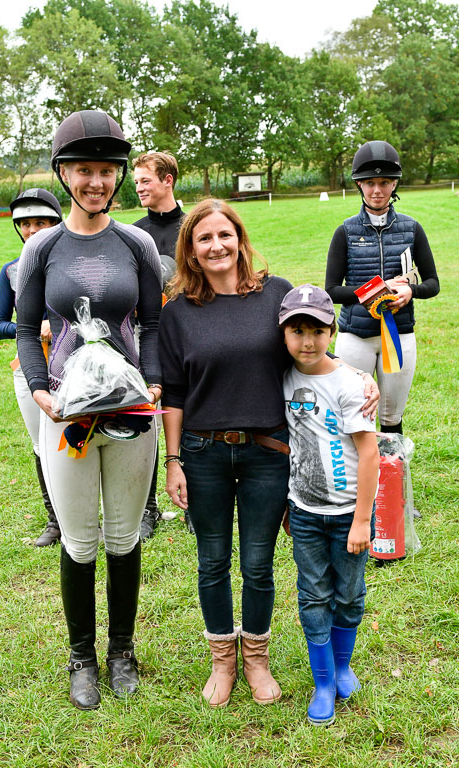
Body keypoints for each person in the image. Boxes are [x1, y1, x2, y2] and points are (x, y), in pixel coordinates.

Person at [159, 199, 379, 709]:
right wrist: (172, 461)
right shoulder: (177, 311)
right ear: (190, 249)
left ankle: (256, 658)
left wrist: (357, 376)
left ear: (240, 239)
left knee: (258, 564)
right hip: (203, 453)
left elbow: (310, 348)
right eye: (204, 238)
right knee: (212, 561)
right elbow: (174, 393)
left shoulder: (275, 293)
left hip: (267, 453)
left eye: (225, 235)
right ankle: (223, 660)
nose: (216, 246)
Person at [16, 110, 163, 710]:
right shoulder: (43, 247)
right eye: (83, 170)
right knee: (79, 541)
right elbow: (26, 328)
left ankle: (122, 650)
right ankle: (82, 657)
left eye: (106, 170)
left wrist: (154, 382)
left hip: (130, 411)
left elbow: (153, 323)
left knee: (123, 536)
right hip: (67, 414)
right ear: (64, 174)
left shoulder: (137, 243)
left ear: (118, 175)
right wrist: (41, 391)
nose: (96, 181)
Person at [279, 284, 379, 726]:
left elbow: (369, 454)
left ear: (332, 332)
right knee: (313, 593)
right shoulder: (283, 376)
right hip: (304, 512)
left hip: (348, 515)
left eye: (318, 331)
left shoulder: (350, 385)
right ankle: (322, 683)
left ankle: (341, 667)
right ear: (283, 335)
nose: (307, 341)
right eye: (297, 331)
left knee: (349, 593)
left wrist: (361, 521)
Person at [325, 140, 440, 435]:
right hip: (356, 336)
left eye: (385, 183)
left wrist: (411, 291)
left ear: (394, 184)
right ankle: (360, 469)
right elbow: (332, 291)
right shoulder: (345, 231)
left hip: (399, 335)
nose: (377, 190)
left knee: (392, 418)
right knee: (356, 418)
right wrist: (376, 289)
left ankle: (392, 467)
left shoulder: (412, 229)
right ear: (359, 185)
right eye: (370, 183)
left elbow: (433, 283)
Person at [0, 188, 62, 546]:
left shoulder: (72, 262)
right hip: (29, 367)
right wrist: (31, 328)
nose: (32, 230)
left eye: (41, 222)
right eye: (26, 223)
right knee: (41, 445)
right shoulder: (11, 271)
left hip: (73, 368)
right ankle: (55, 520)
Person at [132, 151, 191, 539]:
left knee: (193, 418)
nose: (139, 188)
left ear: (167, 180)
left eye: (145, 180)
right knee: (147, 420)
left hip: (189, 335)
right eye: (136, 182)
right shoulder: (133, 233)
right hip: (146, 338)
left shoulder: (193, 226)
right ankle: (147, 508)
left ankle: (195, 503)